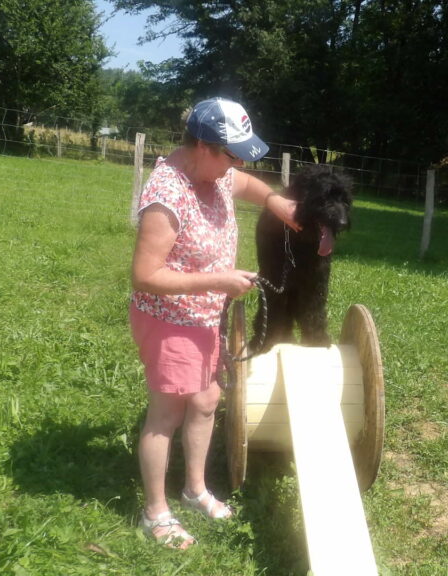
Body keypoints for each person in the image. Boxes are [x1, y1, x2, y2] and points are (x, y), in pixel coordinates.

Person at [129, 97, 299, 549]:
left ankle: (194, 489)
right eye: (231, 153)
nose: (237, 163)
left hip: (205, 317)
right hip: (170, 319)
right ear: (202, 145)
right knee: (166, 414)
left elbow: (247, 183)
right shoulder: (167, 195)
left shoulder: (218, 173)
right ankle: (155, 512)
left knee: (206, 401)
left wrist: (276, 202)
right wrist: (218, 280)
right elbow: (145, 276)